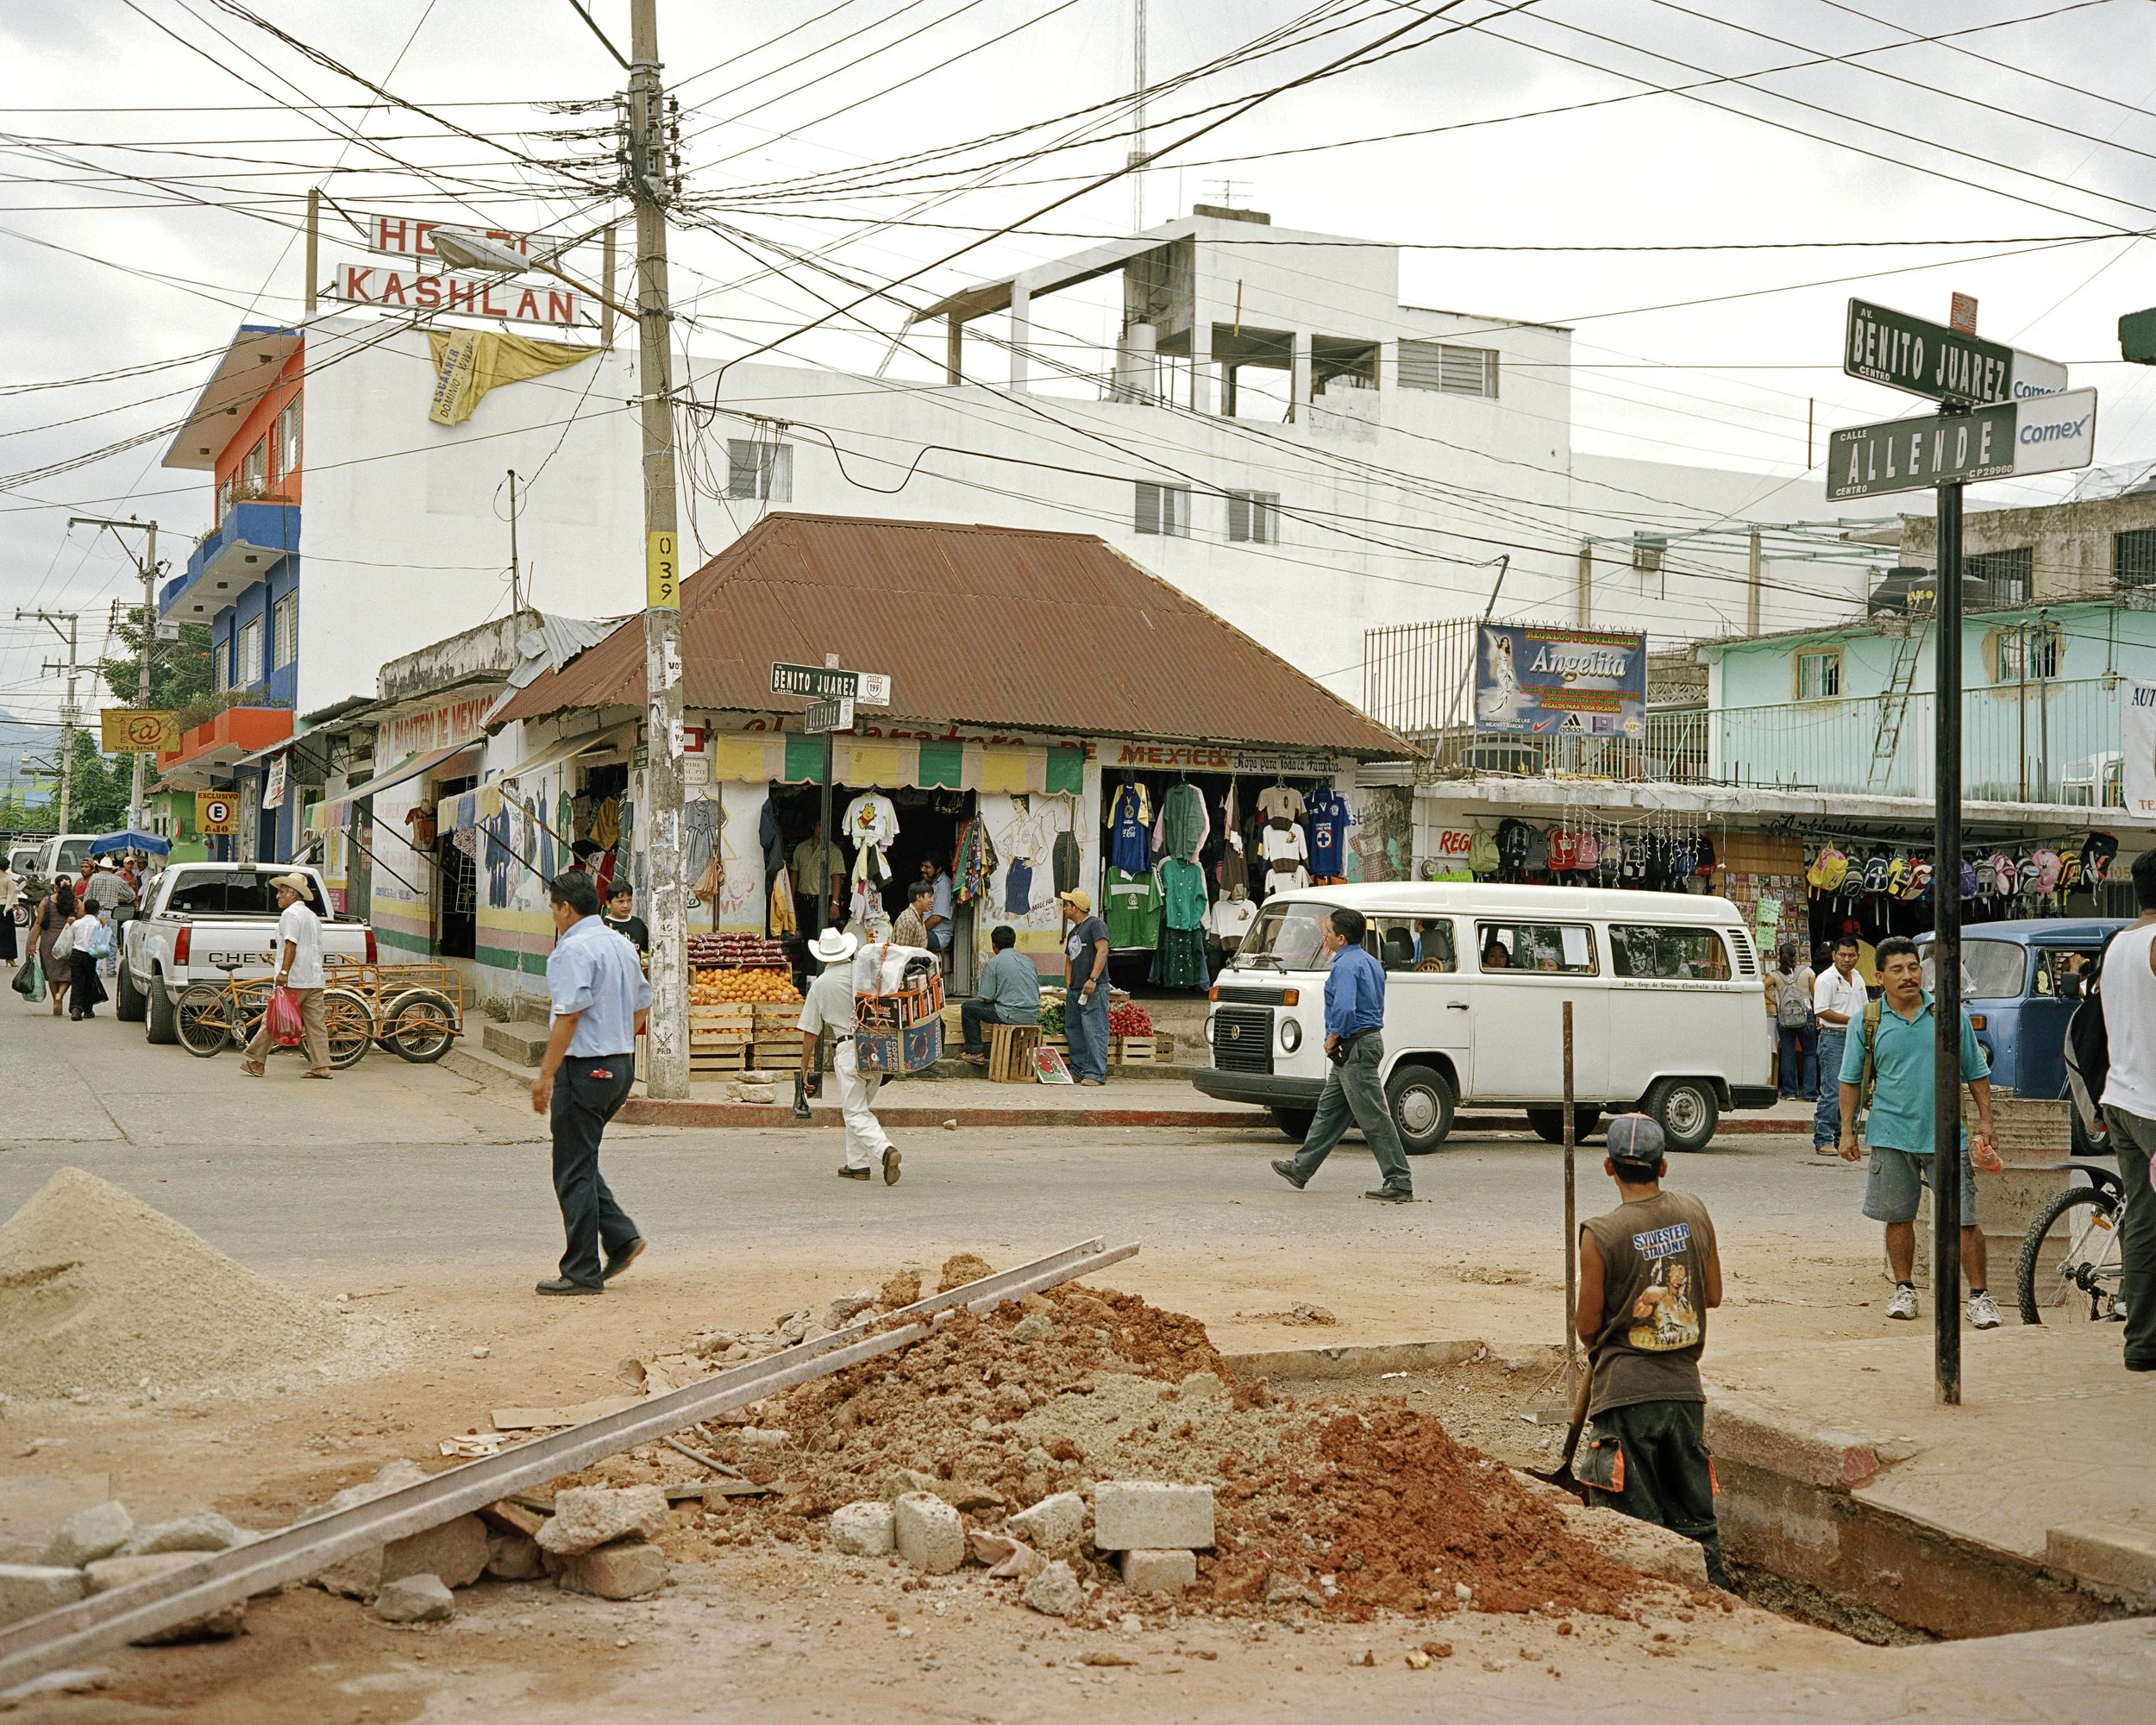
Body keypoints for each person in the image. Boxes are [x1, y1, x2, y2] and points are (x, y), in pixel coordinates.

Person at [1573, 1113, 1728, 1588]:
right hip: (1685, 1394)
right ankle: (1718, 1602)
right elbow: (1715, 1294)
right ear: (1663, 1168)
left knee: (1632, 1531)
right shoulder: (1695, 1211)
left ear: (1608, 1168)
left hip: (1624, 1398)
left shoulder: (1600, 1234)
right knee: (1695, 1523)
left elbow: (1587, 1329)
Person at [1837, 935, 2003, 1328]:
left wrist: (1986, 1120)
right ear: (1880, 976)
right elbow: (1849, 1081)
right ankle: (1905, 1288)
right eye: (1897, 969)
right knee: (1898, 1218)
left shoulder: (1949, 1016)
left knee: (1963, 1220)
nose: (1909, 976)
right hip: (1891, 1134)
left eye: (1914, 967)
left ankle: (1979, 1296)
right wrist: (1846, 1132)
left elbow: (1976, 1072)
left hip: (1948, 1138)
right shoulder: (1867, 1020)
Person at [531, 869, 652, 1293]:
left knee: (572, 1167)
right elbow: (642, 1005)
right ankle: (621, 1238)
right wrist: (618, 1038)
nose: (554, 916)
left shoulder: (572, 949)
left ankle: (581, 1270)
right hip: (618, 1064)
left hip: (587, 1065)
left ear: (566, 908)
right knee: (579, 1158)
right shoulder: (621, 944)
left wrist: (546, 1074)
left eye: (553, 907)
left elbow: (569, 1014)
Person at [1270, 906, 1415, 1203]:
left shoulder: (1344, 965)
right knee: (1329, 1112)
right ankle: (1301, 1168)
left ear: (1340, 937)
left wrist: (1332, 1037)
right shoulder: (1370, 962)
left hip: (1353, 1045)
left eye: (1327, 933)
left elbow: (1346, 1008)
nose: (1324, 937)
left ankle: (1399, 1180)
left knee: (1374, 1117)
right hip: (1362, 1044)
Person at [2095, 849, 2156, 1373]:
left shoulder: (2118, 944)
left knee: (2143, 1219)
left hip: (2122, 1098)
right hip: (2154, 1107)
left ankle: (2143, 1343)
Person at [798, 925, 901, 1183]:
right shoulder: (863, 972)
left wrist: (804, 1067)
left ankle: (885, 1150)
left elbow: (810, 1031)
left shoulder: (820, 985)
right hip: (876, 1046)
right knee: (859, 1109)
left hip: (848, 1049)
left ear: (822, 957)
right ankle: (858, 1165)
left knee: (855, 1113)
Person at [241, 874, 330, 1079]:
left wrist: (283, 972)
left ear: (292, 893)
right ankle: (321, 1066)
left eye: (281, 892)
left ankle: (256, 1061)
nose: (277, 896)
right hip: (313, 978)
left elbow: (291, 944)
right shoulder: (311, 916)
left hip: (295, 979)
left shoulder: (291, 915)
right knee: (316, 1024)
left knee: (274, 1018)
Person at [1812, 936, 1865, 1157]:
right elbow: (1821, 1010)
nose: (1847, 959)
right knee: (1832, 1091)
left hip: (1856, 1038)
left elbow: (1864, 1008)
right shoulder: (1825, 979)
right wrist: (1851, 1020)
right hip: (1833, 1037)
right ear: (1834, 956)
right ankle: (1823, 1138)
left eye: (1851, 955)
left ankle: (1846, 1137)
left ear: (1857, 957)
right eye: (1842, 955)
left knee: (1854, 1089)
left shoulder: (1859, 979)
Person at [962, 925, 1042, 1065]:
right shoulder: (1028, 961)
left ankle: (974, 1052)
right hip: (1033, 1014)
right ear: (1013, 942)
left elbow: (987, 997)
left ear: (994, 944)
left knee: (968, 1008)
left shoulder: (993, 963)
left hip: (1010, 1013)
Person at [1059, 888, 1111, 1086]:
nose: (1064, 908)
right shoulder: (1074, 932)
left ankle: (1096, 1073)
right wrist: (1069, 985)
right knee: (1074, 1028)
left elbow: (1103, 950)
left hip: (1093, 987)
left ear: (1077, 907)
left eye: (1067, 905)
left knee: (1094, 1028)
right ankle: (1079, 1070)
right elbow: (1069, 960)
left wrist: (1093, 979)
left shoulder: (1095, 924)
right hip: (1076, 990)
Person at [1775, 944, 1816, 1099]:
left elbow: (1762, 988)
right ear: (1796, 955)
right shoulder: (1808, 972)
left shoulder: (1775, 975)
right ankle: (1809, 1092)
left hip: (1785, 1017)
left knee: (1787, 1054)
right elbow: (1815, 994)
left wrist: (1776, 1002)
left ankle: (1789, 1091)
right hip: (1806, 1015)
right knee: (1810, 1054)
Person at [32, 881, 75, 1018]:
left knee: (52, 973)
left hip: (48, 941)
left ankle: (56, 1001)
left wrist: (32, 943)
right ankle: (60, 995)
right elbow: (82, 921)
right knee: (67, 973)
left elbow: (38, 922)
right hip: (67, 942)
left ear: (55, 887)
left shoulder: (46, 901)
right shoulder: (76, 902)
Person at [791, 822, 841, 930]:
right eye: (819, 825)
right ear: (813, 826)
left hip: (822, 902)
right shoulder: (801, 848)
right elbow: (795, 874)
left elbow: (836, 877)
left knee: (821, 935)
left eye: (826, 826)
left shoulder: (833, 851)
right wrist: (791, 900)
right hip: (804, 900)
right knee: (805, 934)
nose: (822, 829)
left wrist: (835, 903)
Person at [66, 895, 108, 1019]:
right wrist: (105, 926)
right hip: (90, 956)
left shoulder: (76, 923)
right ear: (98, 911)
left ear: (84, 910)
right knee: (89, 981)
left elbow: (70, 937)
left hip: (76, 954)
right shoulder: (97, 925)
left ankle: (75, 1008)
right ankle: (88, 1010)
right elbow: (102, 941)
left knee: (76, 982)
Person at [917, 856, 955, 958]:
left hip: (938, 936)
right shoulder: (927, 882)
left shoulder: (944, 885)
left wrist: (916, 929)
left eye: (927, 867)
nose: (922, 870)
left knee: (909, 937)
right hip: (927, 931)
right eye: (922, 866)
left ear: (938, 869)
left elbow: (937, 918)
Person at [601, 885, 649, 954]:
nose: (626, 906)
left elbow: (650, 950)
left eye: (629, 900)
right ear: (608, 903)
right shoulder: (603, 926)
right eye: (621, 902)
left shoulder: (638, 924)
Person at [893, 881, 934, 951]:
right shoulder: (908, 920)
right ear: (919, 897)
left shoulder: (918, 917)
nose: (931, 901)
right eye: (929, 897)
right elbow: (901, 954)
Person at [0, 856, 18, 967]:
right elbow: (12, 894)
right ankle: (9, 958)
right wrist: (16, 907)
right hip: (4, 907)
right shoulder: (9, 879)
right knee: (9, 934)